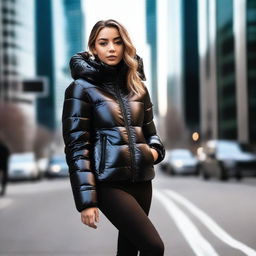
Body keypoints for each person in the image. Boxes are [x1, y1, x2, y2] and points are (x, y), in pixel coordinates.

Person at [62, 19, 166, 256]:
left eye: (117, 42)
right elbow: (77, 147)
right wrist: (86, 201)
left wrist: (153, 152)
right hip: (108, 182)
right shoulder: (80, 88)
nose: (111, 48)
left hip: (141, 180)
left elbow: (152, 134)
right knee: (153, 247)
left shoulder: (137, 86)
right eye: (104, 42)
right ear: (93, 48)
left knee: (128, 251)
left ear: (125, 46)